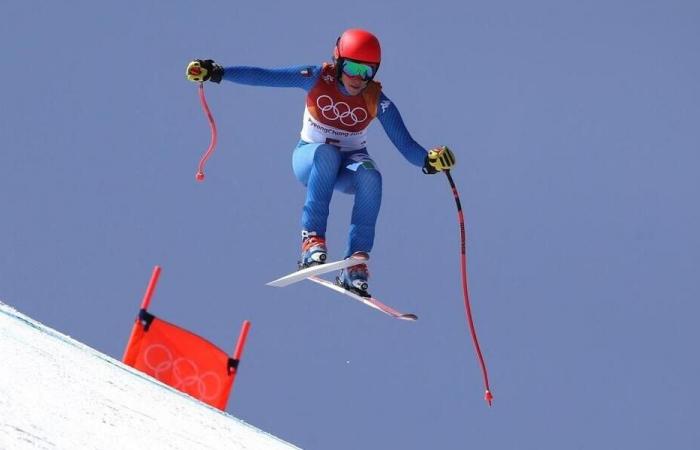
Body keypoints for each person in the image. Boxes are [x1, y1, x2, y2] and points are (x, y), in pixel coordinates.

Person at [186, 28, 456, 297]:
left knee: (371, 176)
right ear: (338, 62)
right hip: (310, 158)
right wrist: (217, 72)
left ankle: (355, 262)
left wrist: (428, 161)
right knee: (326, 154)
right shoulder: (316, 77)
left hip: (349, 164)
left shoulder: (375, 99)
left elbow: (406, 145)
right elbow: (264, 76)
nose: (358, 79)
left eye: (367, 71)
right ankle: (312, 239)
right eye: (352, 68)